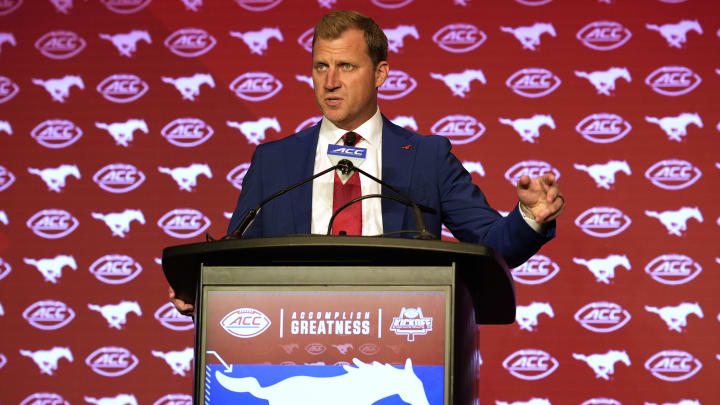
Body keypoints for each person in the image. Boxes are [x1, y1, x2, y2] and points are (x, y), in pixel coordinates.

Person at [169, 10, 564, 315]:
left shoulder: (427, 158)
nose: (330, 81)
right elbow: (238, 259)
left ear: (380, 74)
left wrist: (529, 217)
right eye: (321, 66)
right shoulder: (274, 161)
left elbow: (491, 244)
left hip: (402, 336)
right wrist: (201, 290)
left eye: (346, 66)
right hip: (289, 337)